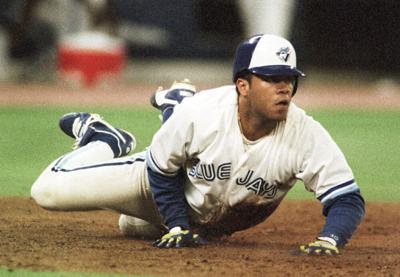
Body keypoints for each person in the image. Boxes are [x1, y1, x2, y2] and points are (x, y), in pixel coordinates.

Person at [31, 34, 365, 255]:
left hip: (205, 214)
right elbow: (162, 171)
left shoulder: (304, 132)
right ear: (243, 85)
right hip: (156, 184)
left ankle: (173, 105)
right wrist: (177, 224)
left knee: (132, 228)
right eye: (272, 78)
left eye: (289, 78)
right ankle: (103, 139)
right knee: (47, 191)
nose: (284, 88)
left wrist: (330, 239)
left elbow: (347, 197)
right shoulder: (206, 112)